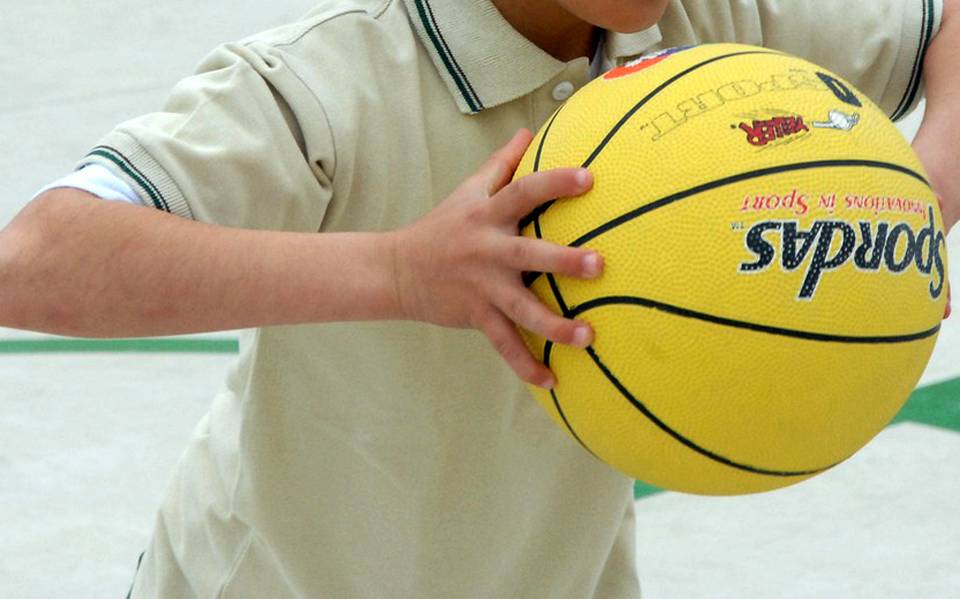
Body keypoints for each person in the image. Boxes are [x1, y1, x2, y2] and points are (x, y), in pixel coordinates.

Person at [1, 0, 957, 596]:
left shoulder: (711, 32)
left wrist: (917, 196)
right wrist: (401, 272)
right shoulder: (328, 81)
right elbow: (37, 260)